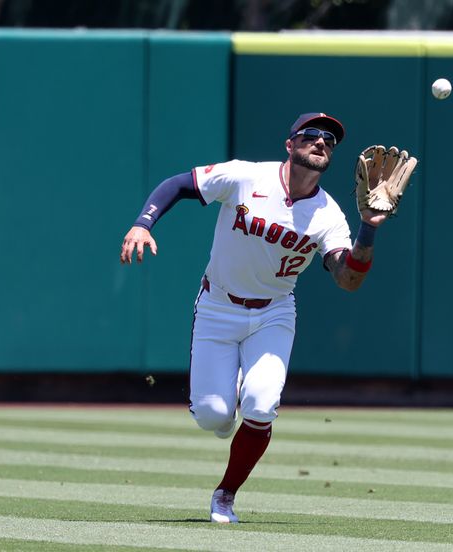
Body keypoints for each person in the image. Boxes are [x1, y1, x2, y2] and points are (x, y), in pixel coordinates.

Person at [120, 112, 389, 523]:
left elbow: (347, 279)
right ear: (290, 144)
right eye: (311, 135)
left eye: (329, 140)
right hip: (217, 307)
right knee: (214, 416)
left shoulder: (328, 215)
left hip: (274, 313)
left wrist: (368, 229)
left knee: (261, 405)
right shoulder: (246, 177)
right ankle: (228, 398)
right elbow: (179, 184)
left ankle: (225, 495)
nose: (321, 142)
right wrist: (143, 224)